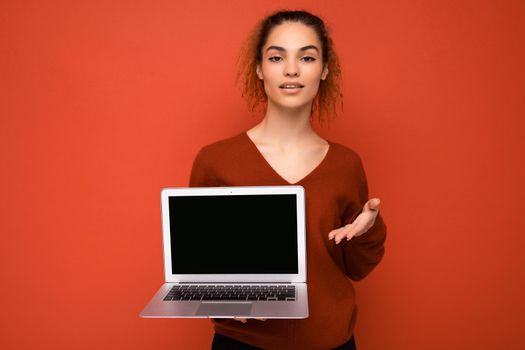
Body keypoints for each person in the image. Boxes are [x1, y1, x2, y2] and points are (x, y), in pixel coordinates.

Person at [188, 9, 387, 350]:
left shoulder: (345, 164)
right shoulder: (215, 160)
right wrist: (221, 300)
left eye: (307, 57)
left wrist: (367, 233)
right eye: (277, 56)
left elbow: (356, 268)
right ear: (259, 68)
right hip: (243, 343)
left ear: (323, 70)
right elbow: (198, 269)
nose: (292, 69)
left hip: (333, 342)